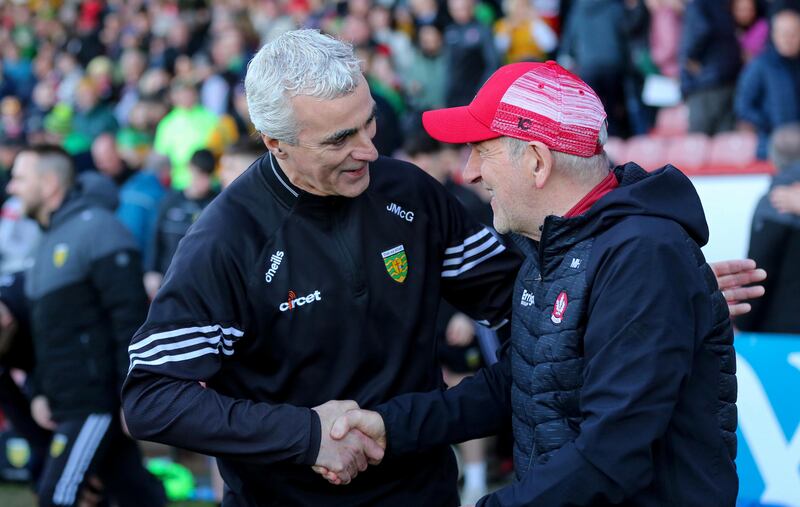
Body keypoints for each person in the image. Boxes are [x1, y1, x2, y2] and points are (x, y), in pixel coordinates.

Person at [324, 61, 761, 506]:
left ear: (537, 161)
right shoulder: (561, 246)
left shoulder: (642, 256)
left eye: (482, 151)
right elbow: (519, 382)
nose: (469, 172)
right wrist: (391, 425)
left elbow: (610, 455)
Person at [121, 29, 523, 507]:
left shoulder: (410, 193)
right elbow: (152, 399)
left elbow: (521, 306)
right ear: (276, 142)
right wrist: (306, 435)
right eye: (340, 139)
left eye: (369, 123)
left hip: (424, 493)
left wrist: (449, 414)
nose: (368, 150)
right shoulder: (227, 239)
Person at [6, 145, 165, 507]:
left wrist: (132, 395)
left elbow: (130, 321)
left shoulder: (98, 230)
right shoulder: (46, 240)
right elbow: (47, 333)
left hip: (94, 404)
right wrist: (41, 391)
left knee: (57, 496)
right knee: (134, 495)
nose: (11, 188)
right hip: (69, 403)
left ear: (49, 183)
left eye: (20, 178)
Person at [736, 123, 800, 333]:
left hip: (779, 333)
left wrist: (742, 323)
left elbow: (759, 271)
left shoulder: (775, 201)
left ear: (773, 159)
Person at [144, 148, 218, 300]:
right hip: (168, 277)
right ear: (190, 169)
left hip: (201, 282)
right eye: (199, 174)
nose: (203, 182)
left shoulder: (216, 204)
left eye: (207, 175)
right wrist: (151, 270)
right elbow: (154, 236)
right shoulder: (170, 201)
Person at [735, 1, 800, 159]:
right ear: (774, 35)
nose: (788, 39)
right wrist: (768, 124)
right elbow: (743, 105)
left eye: (793, 33)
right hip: (773, 147)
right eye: (784, 33)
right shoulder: (760, 65)